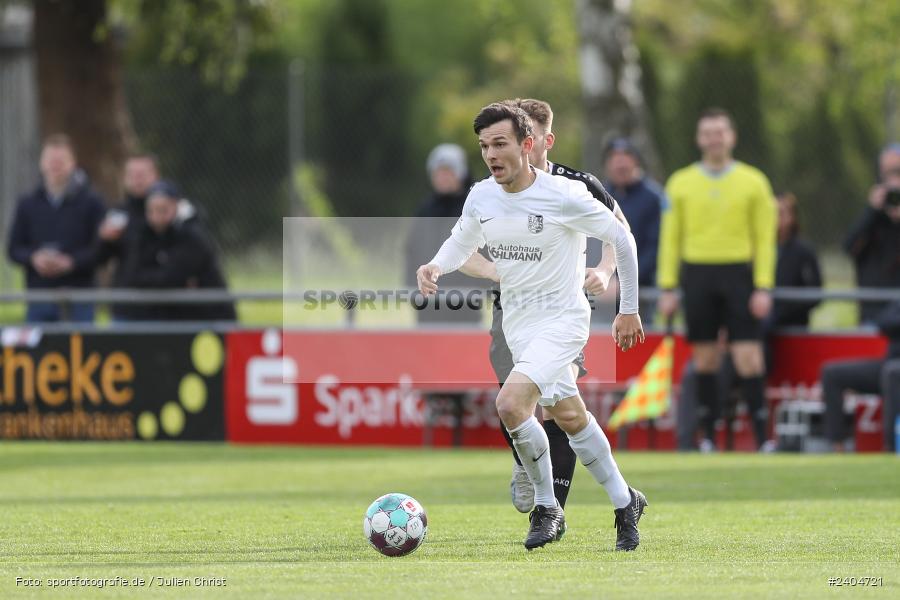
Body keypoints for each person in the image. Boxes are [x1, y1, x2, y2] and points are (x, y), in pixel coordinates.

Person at [417, 102, 647, 551]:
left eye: (500, 144)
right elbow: (462, 239)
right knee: (569, 415)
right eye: (484, 146)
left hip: (563, 320)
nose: (490, 154)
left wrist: (628, 309)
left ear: (528, 145)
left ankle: (547, 507)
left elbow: (621, 235)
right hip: (518, 324)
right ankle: (625, 501)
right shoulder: (482, 195)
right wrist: (436, 266)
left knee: (510, 403)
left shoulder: (564, 194)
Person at [458, 98, 630, 522]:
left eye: (522, 139)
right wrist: (502, 272)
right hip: (513, 313)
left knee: (549, 407)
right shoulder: (492, 191)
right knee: (521, 401)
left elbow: (619, 230)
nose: (508, 150)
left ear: (542, 141)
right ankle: (538, 469)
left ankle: (550, 506)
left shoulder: (576, 185)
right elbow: (465, 252)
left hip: (561, 311)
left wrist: (606, 271)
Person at [657, 108, 777, 451]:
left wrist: (763, 286)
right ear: (699, 139)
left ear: (732, 137)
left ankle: (762, 439)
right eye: (707, 133)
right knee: (705, 358)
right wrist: (668, 286)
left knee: (748, 356)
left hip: (739, 274)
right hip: (697, 274)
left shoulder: (754, 182)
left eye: (720, 132)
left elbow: (764, 240)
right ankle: (707, 435)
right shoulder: (680, 182)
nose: (714, 139)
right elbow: (671, 239)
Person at [6, 134, 106, 323]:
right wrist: (34, 258)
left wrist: (71, 262)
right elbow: (13, 249)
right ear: (41, 163)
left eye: (61, 161)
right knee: (40, 352)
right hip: (39, 299)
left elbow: (101, 250)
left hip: (79, 299)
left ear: (73, 163)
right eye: (51, 160)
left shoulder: (92, 203)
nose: (55, 166)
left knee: (80, 350)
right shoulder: (27, 204)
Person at [118, 181, 236, 322]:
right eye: (151, 210)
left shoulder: (192, 235)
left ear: (176, 206)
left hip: (209, 316)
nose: (156, 217)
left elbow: (170, 277)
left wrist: (154, 277)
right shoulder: (145, 234)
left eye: (162, 210)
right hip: (170, 317)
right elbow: (132, 276)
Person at [404, 143, 482, 324]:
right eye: (438, 172)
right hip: (427, 302)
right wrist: (412, 289)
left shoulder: (472, 207)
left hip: (465, 304)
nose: (442, 177)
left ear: (461, 173)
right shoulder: (425, 209)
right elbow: (412, 251)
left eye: (448, 171)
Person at [821, 299, 900, 452]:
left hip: (893, 371)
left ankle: (890, 449)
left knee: (892, 373)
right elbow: (883, 323)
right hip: (888, 364)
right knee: (832, 373)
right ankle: (836, 447)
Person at [602, 137, 665, 319]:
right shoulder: (598, 195)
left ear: (636, 161)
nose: (620, 163)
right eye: (614, 158)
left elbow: (655, 247)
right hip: (602, 291)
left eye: (626, 157)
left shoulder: (653, 198)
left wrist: (624, 282)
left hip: (640, 290)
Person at [844, 145, 900, 325]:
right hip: (874, 313)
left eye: (897, 172)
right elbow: (849, 247)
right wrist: (872, 211)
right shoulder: (871, 218)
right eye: (887, 173)